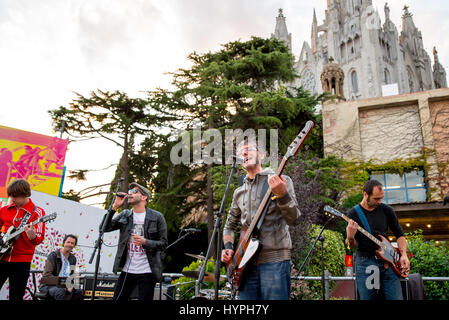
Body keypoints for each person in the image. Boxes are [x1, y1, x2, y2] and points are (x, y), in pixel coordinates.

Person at [221, 140, 302, 300]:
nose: (243, 153)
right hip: (244, 264)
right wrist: (229, 247)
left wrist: (282, 195)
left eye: (248, 149)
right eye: (240, 152)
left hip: (275, 261)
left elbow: (295, 219)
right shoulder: (239, 192)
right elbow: (229, 226)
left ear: (262, 155)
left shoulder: (281, 180)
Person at [346, 179, 410, 300]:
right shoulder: (353, 214)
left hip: (389, 263)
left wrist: (403, 255)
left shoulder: (387, 210)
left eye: (381, 198)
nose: (380, 202)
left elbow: (400, 234)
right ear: (365, 194)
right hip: (366, 263)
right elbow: (351, 246)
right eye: (376, 199)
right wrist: (350, 237)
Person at [103, 182, 168, 301]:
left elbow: (163, 243)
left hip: (148, 271)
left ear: (144, 197)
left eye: (134, 191)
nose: (130, 193)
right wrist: (114, 207)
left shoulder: (157, 217)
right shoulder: (125, 215)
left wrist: (145, 242)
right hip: (127, 270)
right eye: (129, 191)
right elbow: (104, 228)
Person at [0, 179, 45, 300]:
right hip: (2, 257)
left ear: (25, 194)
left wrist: (33, 236)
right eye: (11, 196)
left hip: (21, 262)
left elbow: (39, 239)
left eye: (15, 196)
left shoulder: (37, 212)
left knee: (16, 296)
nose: (12, 199)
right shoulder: (4, 210)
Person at [39, 234, 84, 300]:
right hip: (50, 286)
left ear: (74, 246)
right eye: (68, 242)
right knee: (61, 292)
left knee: (80, 292)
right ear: (64, 243)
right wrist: (64, 285)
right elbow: (47, 275)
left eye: (72, 243)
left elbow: (72, 275)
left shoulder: (73, 258)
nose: (70, 244)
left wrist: (71, 285)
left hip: (66, 285)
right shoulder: (53, 255)